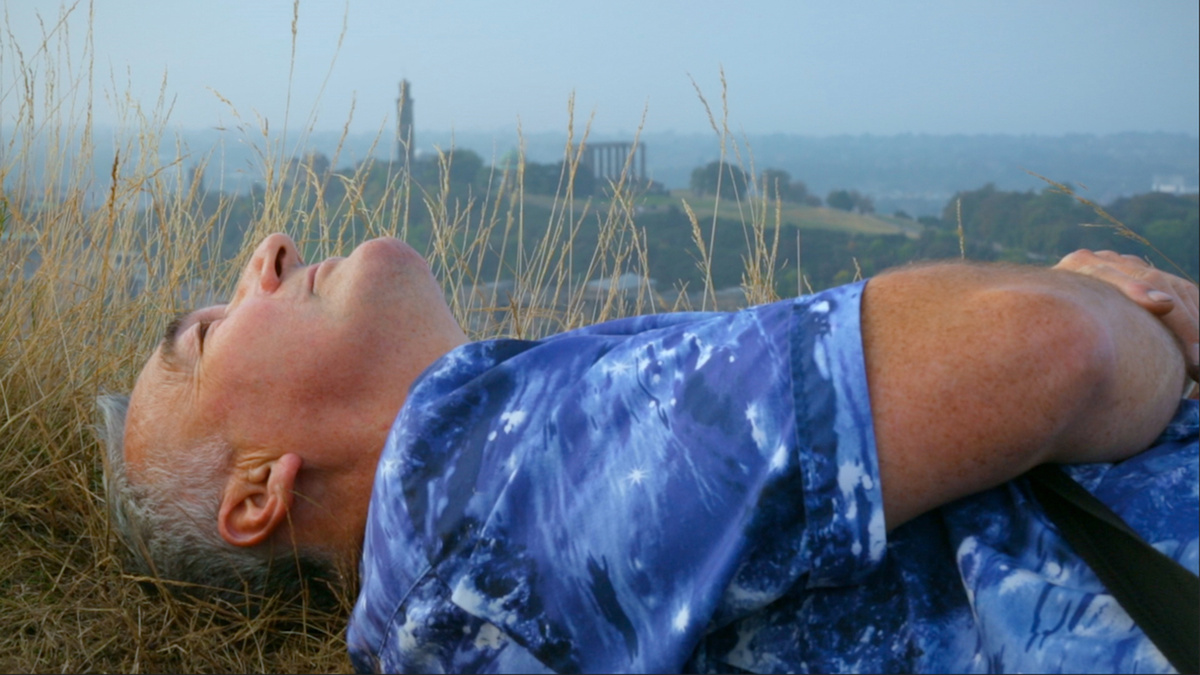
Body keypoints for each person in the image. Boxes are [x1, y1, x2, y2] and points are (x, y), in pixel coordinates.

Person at [100, 233, 1198, 673]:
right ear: (257, 494)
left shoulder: (448, 601)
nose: (267, 254)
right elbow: (1048, 351)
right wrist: (1142, 315)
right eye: (207, 330)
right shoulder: (508, 464)